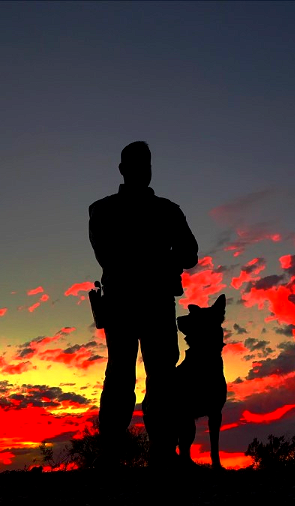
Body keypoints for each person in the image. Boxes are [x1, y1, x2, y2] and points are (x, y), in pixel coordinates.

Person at [89, 141, 199, 470]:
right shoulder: (105, 210)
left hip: (152, 305)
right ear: (123, 170)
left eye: (146, 165)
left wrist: (157, 262)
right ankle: (112, 453)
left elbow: (190, 253)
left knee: (159, 378)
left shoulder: (166, 211)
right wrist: (157, 260)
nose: (143, 171)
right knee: (123, 377)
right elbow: (105, 253)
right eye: (138, 165)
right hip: (131, 305)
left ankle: (160, 452)